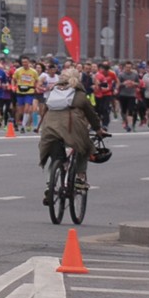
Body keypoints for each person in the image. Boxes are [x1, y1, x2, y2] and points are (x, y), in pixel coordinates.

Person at [38, 61, 102, 203]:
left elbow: (45, 109)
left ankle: (50, 185)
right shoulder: (80, 95)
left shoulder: (53, 91)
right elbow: (91, 115)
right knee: (84, 147)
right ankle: (80, 178)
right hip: (72, 128)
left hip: (50, 128)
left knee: (54, 157)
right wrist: (98, 129)